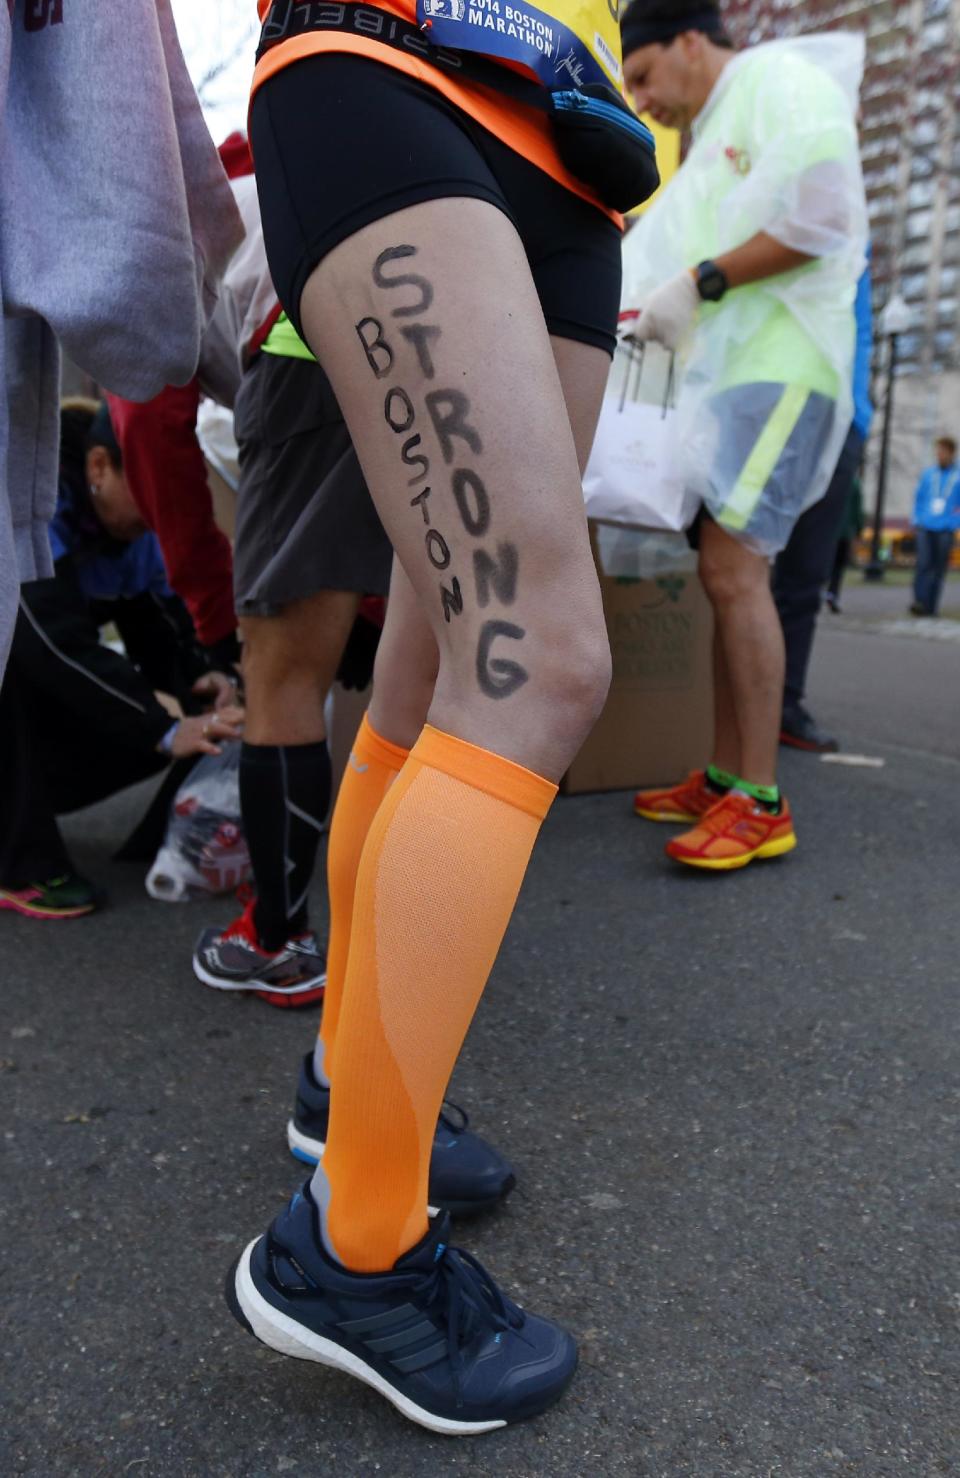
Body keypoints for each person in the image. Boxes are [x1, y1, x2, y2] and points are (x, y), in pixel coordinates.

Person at [225, 0, 634, 1433]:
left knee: (438, 660)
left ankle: (350, 1092)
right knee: (541, 660)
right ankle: (357, 1247)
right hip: (387, 64)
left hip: (575, 139)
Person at [622, 0, 867, 868]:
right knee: (723, 576)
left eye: (645, 73)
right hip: (739, 373)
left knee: (735, 570)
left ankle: (760, 799)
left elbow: (824, 214)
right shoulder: (719, 123)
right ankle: (729, 776)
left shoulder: (777, 81)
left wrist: (700, 280)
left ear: (693, 39)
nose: (641, 99)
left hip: (784, 363)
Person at [0, 401, 243, 920]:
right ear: (98, 468)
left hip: (37, 664)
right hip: (18, 659)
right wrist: (161, 726)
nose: (158, 512)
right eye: (149, 492)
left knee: (168, 727)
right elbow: (50, 641)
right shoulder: (26, 498)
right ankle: (19, 865)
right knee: (17, 668)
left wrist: (202, 677)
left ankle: (26, 806)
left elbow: (156, 624)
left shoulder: (131, 531)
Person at [774, 259, 874, 752]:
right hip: (777, 396)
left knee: (803, 577)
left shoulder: (848, 221)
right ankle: (739, 708)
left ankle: (783, 704)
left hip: (839, 413)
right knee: (740, 572)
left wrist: (858, 417)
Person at [909, 436, 960, 616]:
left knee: (938, 569)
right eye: (938, 452)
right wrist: (917, 519)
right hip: (926, 525)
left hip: (945, 528)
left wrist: (954, 522)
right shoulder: (929, 474)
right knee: (923, 564)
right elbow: (919, 498)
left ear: (951, 453)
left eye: (943, 452)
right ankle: (919, 601)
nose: (939, 455)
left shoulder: (958, 476)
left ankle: (931, 607)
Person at [825, 475, 864, 613]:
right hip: (844, 531)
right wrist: (859, 529)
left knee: (825, 563)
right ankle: (833, 593)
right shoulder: (853, 481)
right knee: (838, 566)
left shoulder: (828, 477)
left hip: (827, 529)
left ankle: (822, 591)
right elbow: (858, 509)